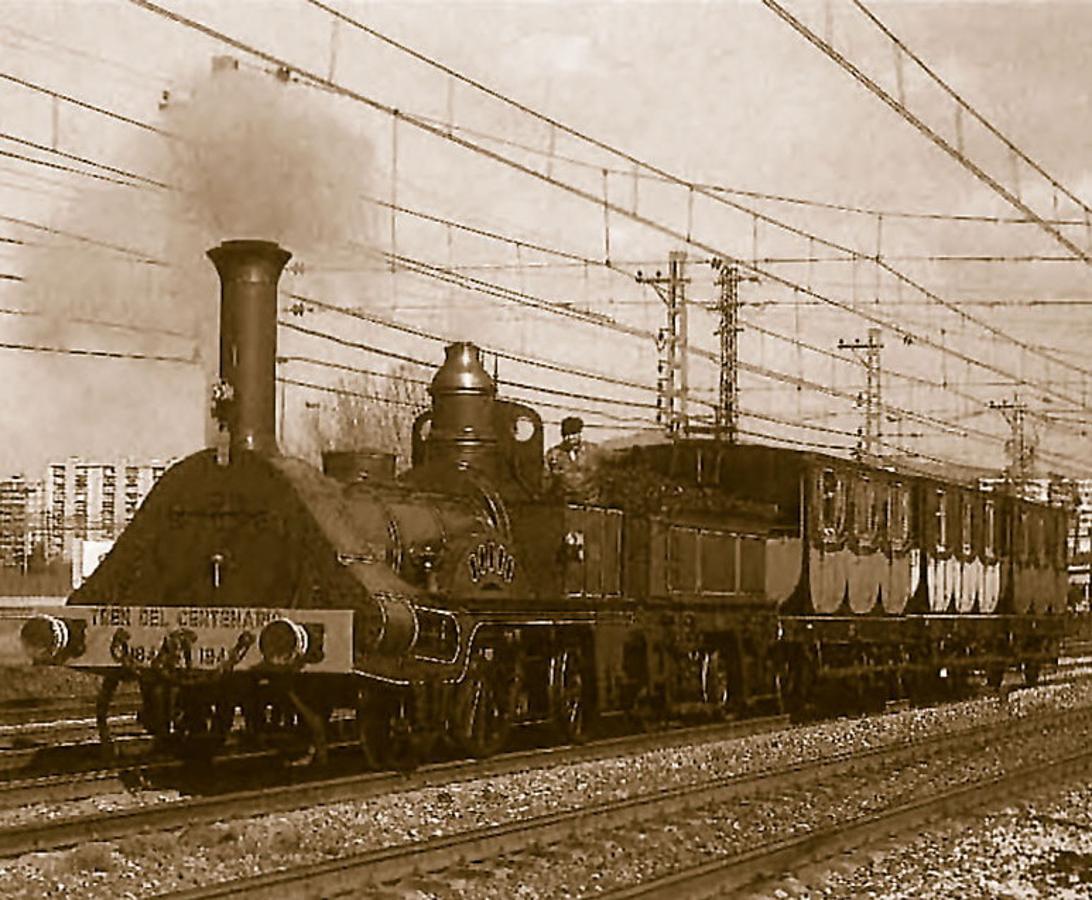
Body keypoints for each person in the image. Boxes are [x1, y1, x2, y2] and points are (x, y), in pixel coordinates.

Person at [545, 416, 599, 498]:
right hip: (563, 501)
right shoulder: (553, 454)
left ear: (580, 433)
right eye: (567, 435)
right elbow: (546, 477)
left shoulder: (593, 450)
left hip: (590, 500)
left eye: (573, 434)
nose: (570, 438)